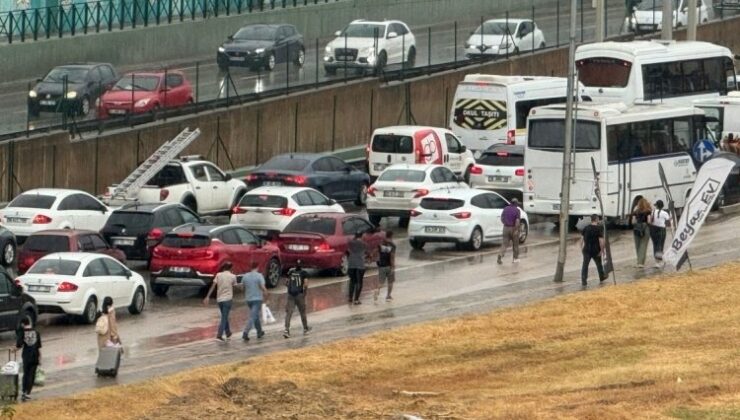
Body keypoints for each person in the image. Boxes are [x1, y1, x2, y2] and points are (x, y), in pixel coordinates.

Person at [203, 262, 238, 342]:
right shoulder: (233, 276)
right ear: (231, 268)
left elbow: (213, 286)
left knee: (224, 316)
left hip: (219, 299)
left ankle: (228, 332)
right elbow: (235, 287)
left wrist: (207, 296)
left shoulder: (218, 275)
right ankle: (219, 335)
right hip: (228, 299)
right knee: (224, 318)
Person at [16, 317, 41, 402]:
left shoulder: (23, 332)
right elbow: (39, 347)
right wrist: (40, 359)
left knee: (26, 374)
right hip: (35, 356)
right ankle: (28, 393)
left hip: (26, 357)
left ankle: (24, 392)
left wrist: (13, 350)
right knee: (32, 375)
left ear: (23, 324)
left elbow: (19, 345)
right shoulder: (36, 332)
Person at [284, 260, 311, 338]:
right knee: (302, 312)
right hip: (299, 295)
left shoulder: (291, 272)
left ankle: (286, 330)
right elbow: (305, 284)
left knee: (289, 313)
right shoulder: (304, 273)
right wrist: (304, 293)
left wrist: (290, 290)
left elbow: (286, 283)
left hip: (290, 295)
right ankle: (305, 329)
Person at [241, 261, 267, 341]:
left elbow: (243, 288)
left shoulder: (245, 276)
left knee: (255, 316)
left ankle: (259, 332)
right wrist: (266, 294)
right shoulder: (259, 276)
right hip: (257, 299)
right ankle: (245, 332)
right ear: (257, 267)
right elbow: (262, 287)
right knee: (253, 317)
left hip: (248, 299)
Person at [580, 214, 607, 286]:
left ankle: (584, 281)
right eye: (598, 219)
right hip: (595, 250)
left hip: (586, 249)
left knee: (585, 265)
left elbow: (581, 240)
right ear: (597, 219)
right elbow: (601, 241)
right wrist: (602, 250)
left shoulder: (585, 228)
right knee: (599, 264)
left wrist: (581, 248)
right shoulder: (599, 229)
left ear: (591, 220)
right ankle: (602, 277)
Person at [497, 198, 521, 265]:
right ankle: (515, 259)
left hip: (505, 228)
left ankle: (500, 256)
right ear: (515, 203)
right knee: (515, 245)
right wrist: (516, 230)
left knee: (504, 244)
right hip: (513, 228)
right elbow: (517, 221)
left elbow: (502, 218)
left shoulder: (505, 208)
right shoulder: (517, 210)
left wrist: (505, 223)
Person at [649, 199, 672, 268]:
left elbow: (651, 220)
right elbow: (668, 221)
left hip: (653, 229)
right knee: (660, 245)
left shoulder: (653, 212)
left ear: (656, 205)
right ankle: (658, 261)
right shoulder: (664, 213)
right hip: (661, 230)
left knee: (655, 245)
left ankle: (657, 260)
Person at [375, 230, 396, 302]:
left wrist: (371, 257)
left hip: (381, 266)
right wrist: (393, 267)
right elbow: (392, 257)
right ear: (391, 236)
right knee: (390, 282)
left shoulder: (381, 244)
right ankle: (388, 296)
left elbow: (376, 252)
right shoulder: (392, 245)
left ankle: (377, 290)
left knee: (381, 282)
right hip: (389, 266)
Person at [347, 231, 368, 304]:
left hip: (351, 264)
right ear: (361, 236)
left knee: (352, 281)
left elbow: (347, 251)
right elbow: (367, 253)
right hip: (360, 265)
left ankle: (350, 298)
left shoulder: (350, 243)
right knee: (359, 282)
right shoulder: (364, 244)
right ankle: (356, 299)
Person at [631, 197, 652, 268]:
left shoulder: (635, 211)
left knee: (638, 245)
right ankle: (641, 263)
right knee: (643, 245)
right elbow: (649, 221)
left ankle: (639, 261)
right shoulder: (648, 211)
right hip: (645, 228)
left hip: (636, 228)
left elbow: (633, 221)